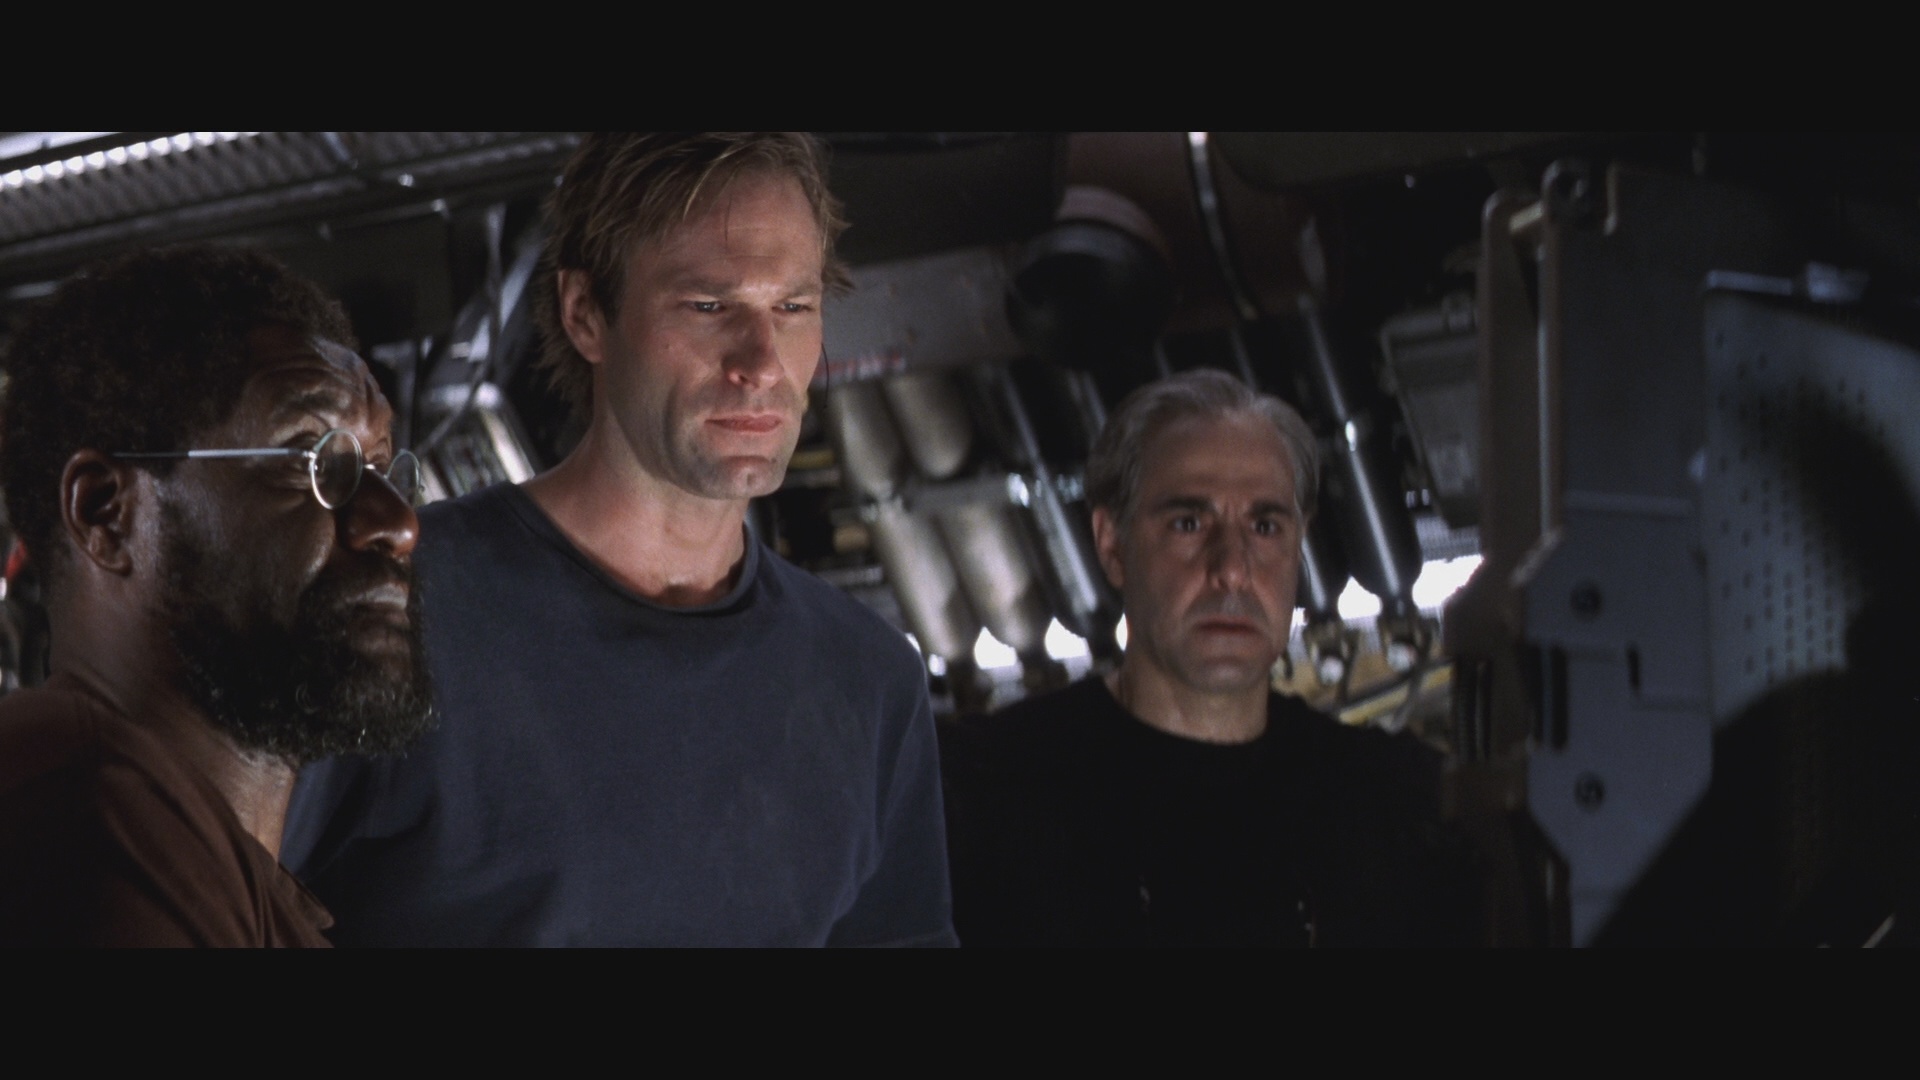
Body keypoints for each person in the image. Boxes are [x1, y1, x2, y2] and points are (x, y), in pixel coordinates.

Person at [284, 132, 955, 946]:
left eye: (793, 307)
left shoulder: (869, 682)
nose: (761, 362)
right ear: (585, 315)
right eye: (708, 306)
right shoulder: (386, 614)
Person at [941, 369, 1474, 946]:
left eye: (1264, 526)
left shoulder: (1400, 806)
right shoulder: (982, 798)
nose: (1233, 569)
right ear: (1112, 544)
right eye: (1189, 524)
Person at [0, 246, 432, 947]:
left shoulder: (219, 869)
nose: (398, 523)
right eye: (315, 460)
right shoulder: (86, 821)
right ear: (106, 512)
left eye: (382, 467)